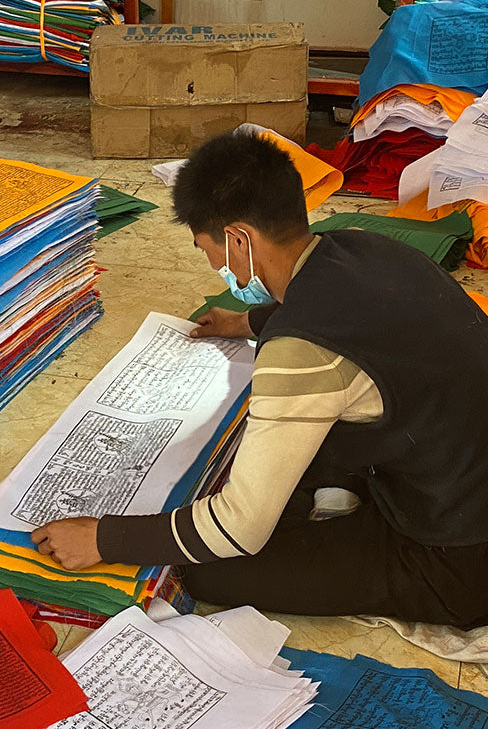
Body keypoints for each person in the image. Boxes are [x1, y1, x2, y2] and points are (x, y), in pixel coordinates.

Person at [32, 129, 488, 627]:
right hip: (458, 473)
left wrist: (104, 538)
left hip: (458, 557)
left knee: (211, 572)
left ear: (237, 239)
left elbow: (237, 532)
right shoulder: (366, 247)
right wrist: (243, 322)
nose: (211, 264)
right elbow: (349, 312)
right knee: (298, 449)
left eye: (206, 247)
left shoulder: (299, 352)